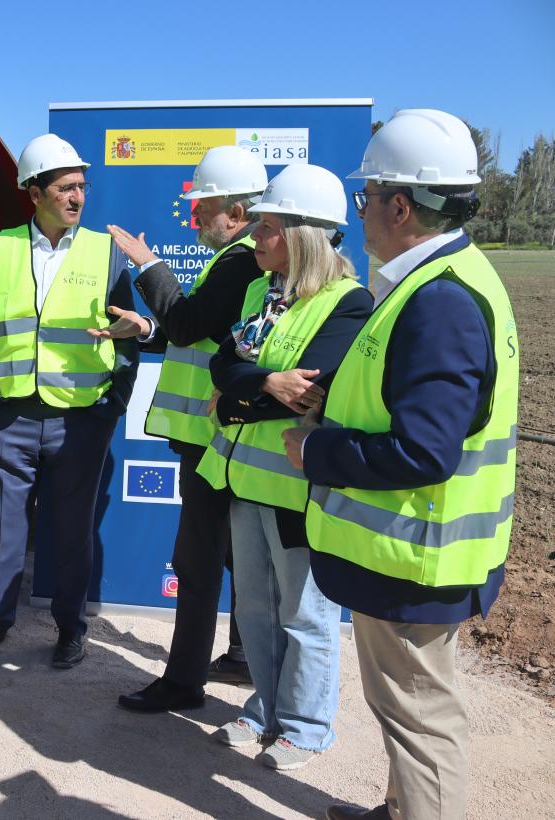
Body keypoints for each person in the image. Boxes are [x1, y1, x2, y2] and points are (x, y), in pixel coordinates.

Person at [283, 110, 517, 820]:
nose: (361, 216)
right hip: (415, 553)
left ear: (401, 206)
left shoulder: (438, 300)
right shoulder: (441, 280)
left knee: (421, 720)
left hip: (419, 558)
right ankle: (398, 810)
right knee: (404, 708)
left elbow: (425, 451)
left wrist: (315, 449)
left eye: (366, 200)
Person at [196, 163, 373, 770]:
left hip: (299, 489)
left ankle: (307, 725)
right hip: (246, 478)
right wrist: (265, 381)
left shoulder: (348, 303)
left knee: (305, 613)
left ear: (301, 236)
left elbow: (312, 390)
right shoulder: (259, 292)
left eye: (268, 228)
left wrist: (249, 386)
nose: (257, 238)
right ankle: (267, 709)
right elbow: (225, 367)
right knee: (253, 610)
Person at [92, 145, 266, 712]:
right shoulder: (248, 260)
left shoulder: (241, 261)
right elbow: (202, 331)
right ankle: (241, 657)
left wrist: (147, 264)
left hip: (212, 437)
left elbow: (190, 325)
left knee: (197, 562)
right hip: (221, 435)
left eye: (203, 208)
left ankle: (184, 682)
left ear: (236, 214)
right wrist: (146, 327)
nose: (191, 219)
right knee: (239, 555)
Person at [0, 133, 139, 668]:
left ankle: (69, 626)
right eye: (65, 188)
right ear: (34, 193)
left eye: (81, 187)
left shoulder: (105, 252)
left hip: (81, 420)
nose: (77, 198)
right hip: (9, 416)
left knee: (72, 529)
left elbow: (128, 334)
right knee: (3, 526)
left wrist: (113, 404)